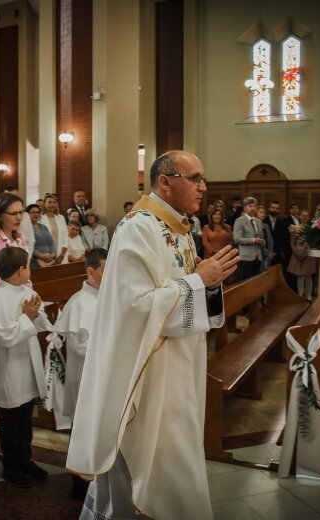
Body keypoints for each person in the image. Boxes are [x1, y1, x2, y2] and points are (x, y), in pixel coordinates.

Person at [67, 150, 238, 520]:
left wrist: (208, 284)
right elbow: (135, 307)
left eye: (202, 178)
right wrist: (199, 280)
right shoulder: (139, 228)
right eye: (194, 178)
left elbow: (186, 289)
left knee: (177, 457)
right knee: (151, 468)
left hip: (179, 368)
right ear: (165, 181)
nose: (202, 187)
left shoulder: (182, 228)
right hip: (149, 373)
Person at [0, 246, 52, 488]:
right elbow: (4, 338)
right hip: (8, 371)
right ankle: (12, 467)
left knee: (24, 422)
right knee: (10, 425)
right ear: (20, 270)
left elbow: (41, 324)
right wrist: (27, 317)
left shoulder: (24, 291)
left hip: (26, 367)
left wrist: (36, 313)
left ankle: (25, 459)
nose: (29, 270)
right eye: (28, 266)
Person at [51, 249, 107, 499]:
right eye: (106, 270)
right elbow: (80, 346)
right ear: (91, 272)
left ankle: (98, 477)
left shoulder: (105, 297)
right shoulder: (80, 302)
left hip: (103, 377)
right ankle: (81, 485)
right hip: (86, 378)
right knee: (83, 431)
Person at [288, 209, 318, 301]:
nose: (305, 217)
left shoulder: (312, 228)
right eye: (303, 215)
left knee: (308, 275)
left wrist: (307, 248)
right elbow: (292, 242)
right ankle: (300, 294)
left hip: (308, 253)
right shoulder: (295, 228)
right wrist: (296, 252)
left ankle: (308, 295)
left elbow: (314, 241)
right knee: (300, 276)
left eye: (307, 216)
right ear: (299, 216)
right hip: (297, 253)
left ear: (309, 217)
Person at [232, 196, 265, 280]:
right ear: (244, 208)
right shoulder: (239, 221)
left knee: (256, 281)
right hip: (246, 257)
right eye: (250, 206)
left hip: (258, 256)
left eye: (254, 206)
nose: (253, 208)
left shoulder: (258, 221)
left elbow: (261, 237)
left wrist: (262, 241)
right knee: (247, 281)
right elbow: (237, 238)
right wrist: (253, 240)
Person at [40, 194, 67, 258]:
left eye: (54, 202)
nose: (52, 204)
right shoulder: (40, 218)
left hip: (61, 252)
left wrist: (62, 255)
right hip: (46, 253)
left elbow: (66, 237)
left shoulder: (61, 217)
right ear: (44, 204)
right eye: (49, 202)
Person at [256, 205, 274, 271]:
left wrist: (271, 251)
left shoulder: (266, 225)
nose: (263, 214)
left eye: (264, 212)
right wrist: (267, 253)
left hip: (268, 254)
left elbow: (270, 239)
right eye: (260, 212)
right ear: (256, 213)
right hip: (259, 254)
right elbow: (259, 242)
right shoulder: (254, 225)